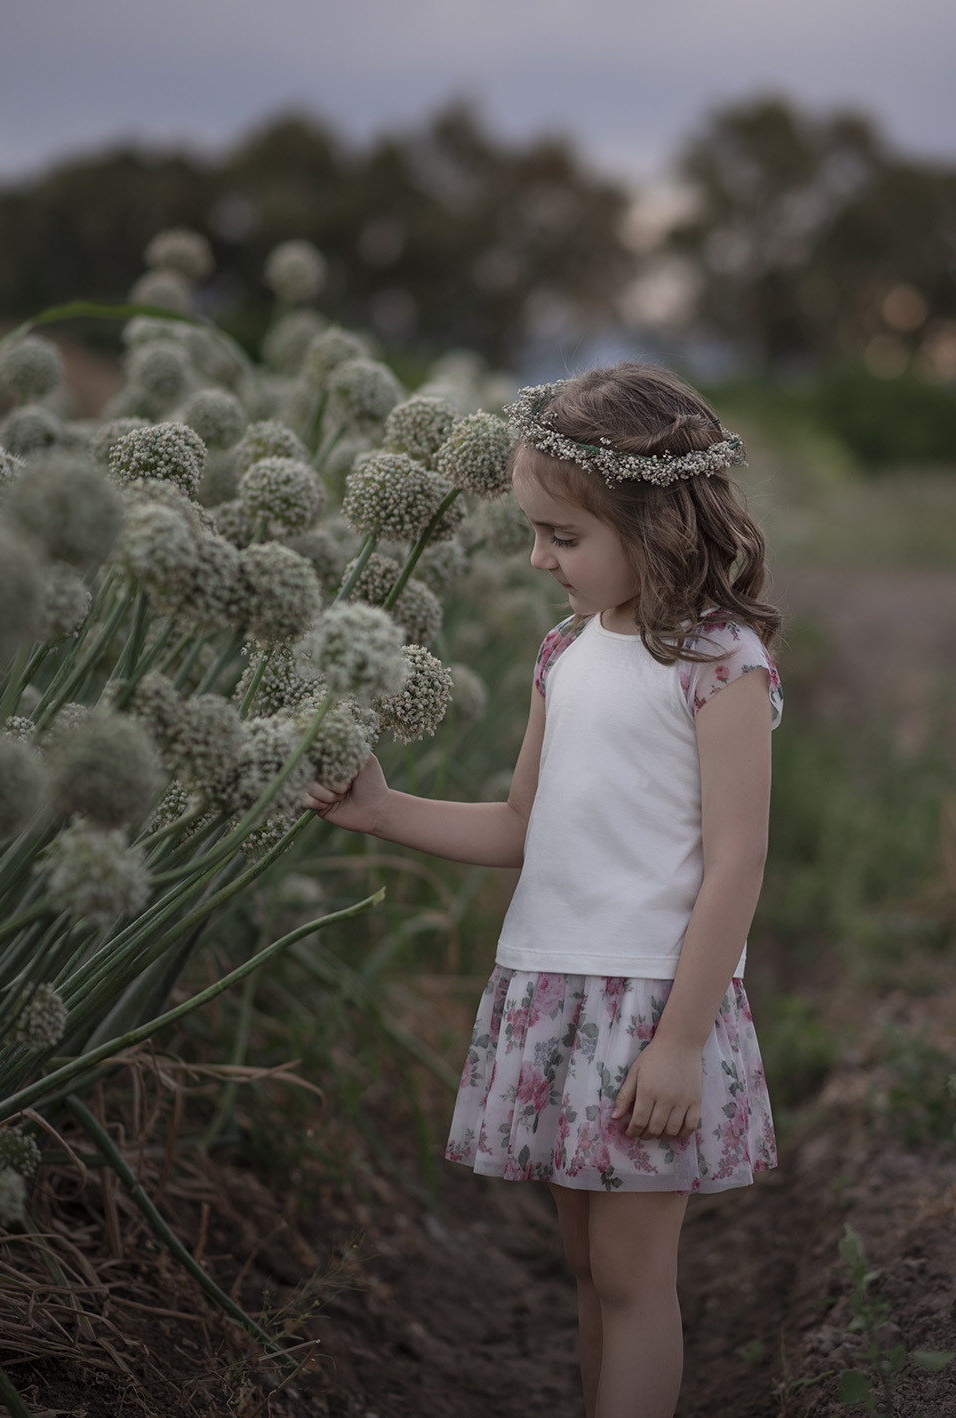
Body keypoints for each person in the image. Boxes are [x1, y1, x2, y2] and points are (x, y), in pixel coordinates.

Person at [305, 363, 783, 1418]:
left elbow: (737, 861)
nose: (538, 558)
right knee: (585, 1268)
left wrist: (679, 1040)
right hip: (551, 988)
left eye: (562, 537)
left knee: (631, 1276)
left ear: (656, 522)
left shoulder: (720, 663)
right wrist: (384, 810)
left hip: (651, 1005)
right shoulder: (563, 652)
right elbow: (523, 825)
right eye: (534, 531)